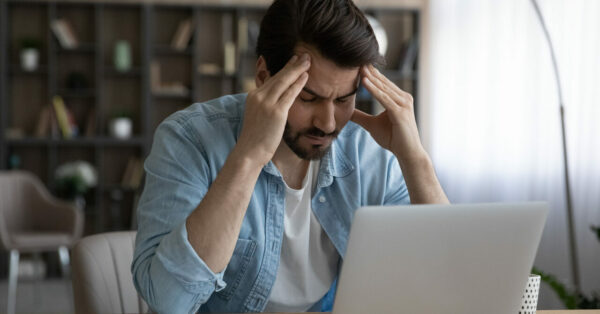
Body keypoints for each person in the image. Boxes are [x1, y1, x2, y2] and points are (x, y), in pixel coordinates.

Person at [132, 0, 449, 312]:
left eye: (343, 99)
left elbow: (447, 278)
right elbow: (170, 301)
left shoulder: (365, 151)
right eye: (308, 98)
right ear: (263, 76)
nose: (327, 123)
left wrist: (415, 160)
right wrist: (249, 156)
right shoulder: (190, 139)